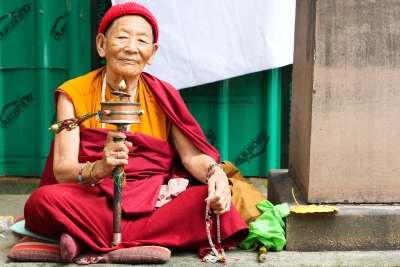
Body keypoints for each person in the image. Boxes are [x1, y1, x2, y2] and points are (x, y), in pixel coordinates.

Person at [23, 1, 249, 263]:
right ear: (101, 45)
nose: (131, 48)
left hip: (155, 196)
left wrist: (215, 173)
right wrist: (100, 168)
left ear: (152, 53)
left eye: (142, 41)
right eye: (121, 37)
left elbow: (191, 157)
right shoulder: (74, 93)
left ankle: (86, 238)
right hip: (95, 195)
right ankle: (134, 241)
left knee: (213, 205)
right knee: (41, 202)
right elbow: (62, 170)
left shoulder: (163, 95)